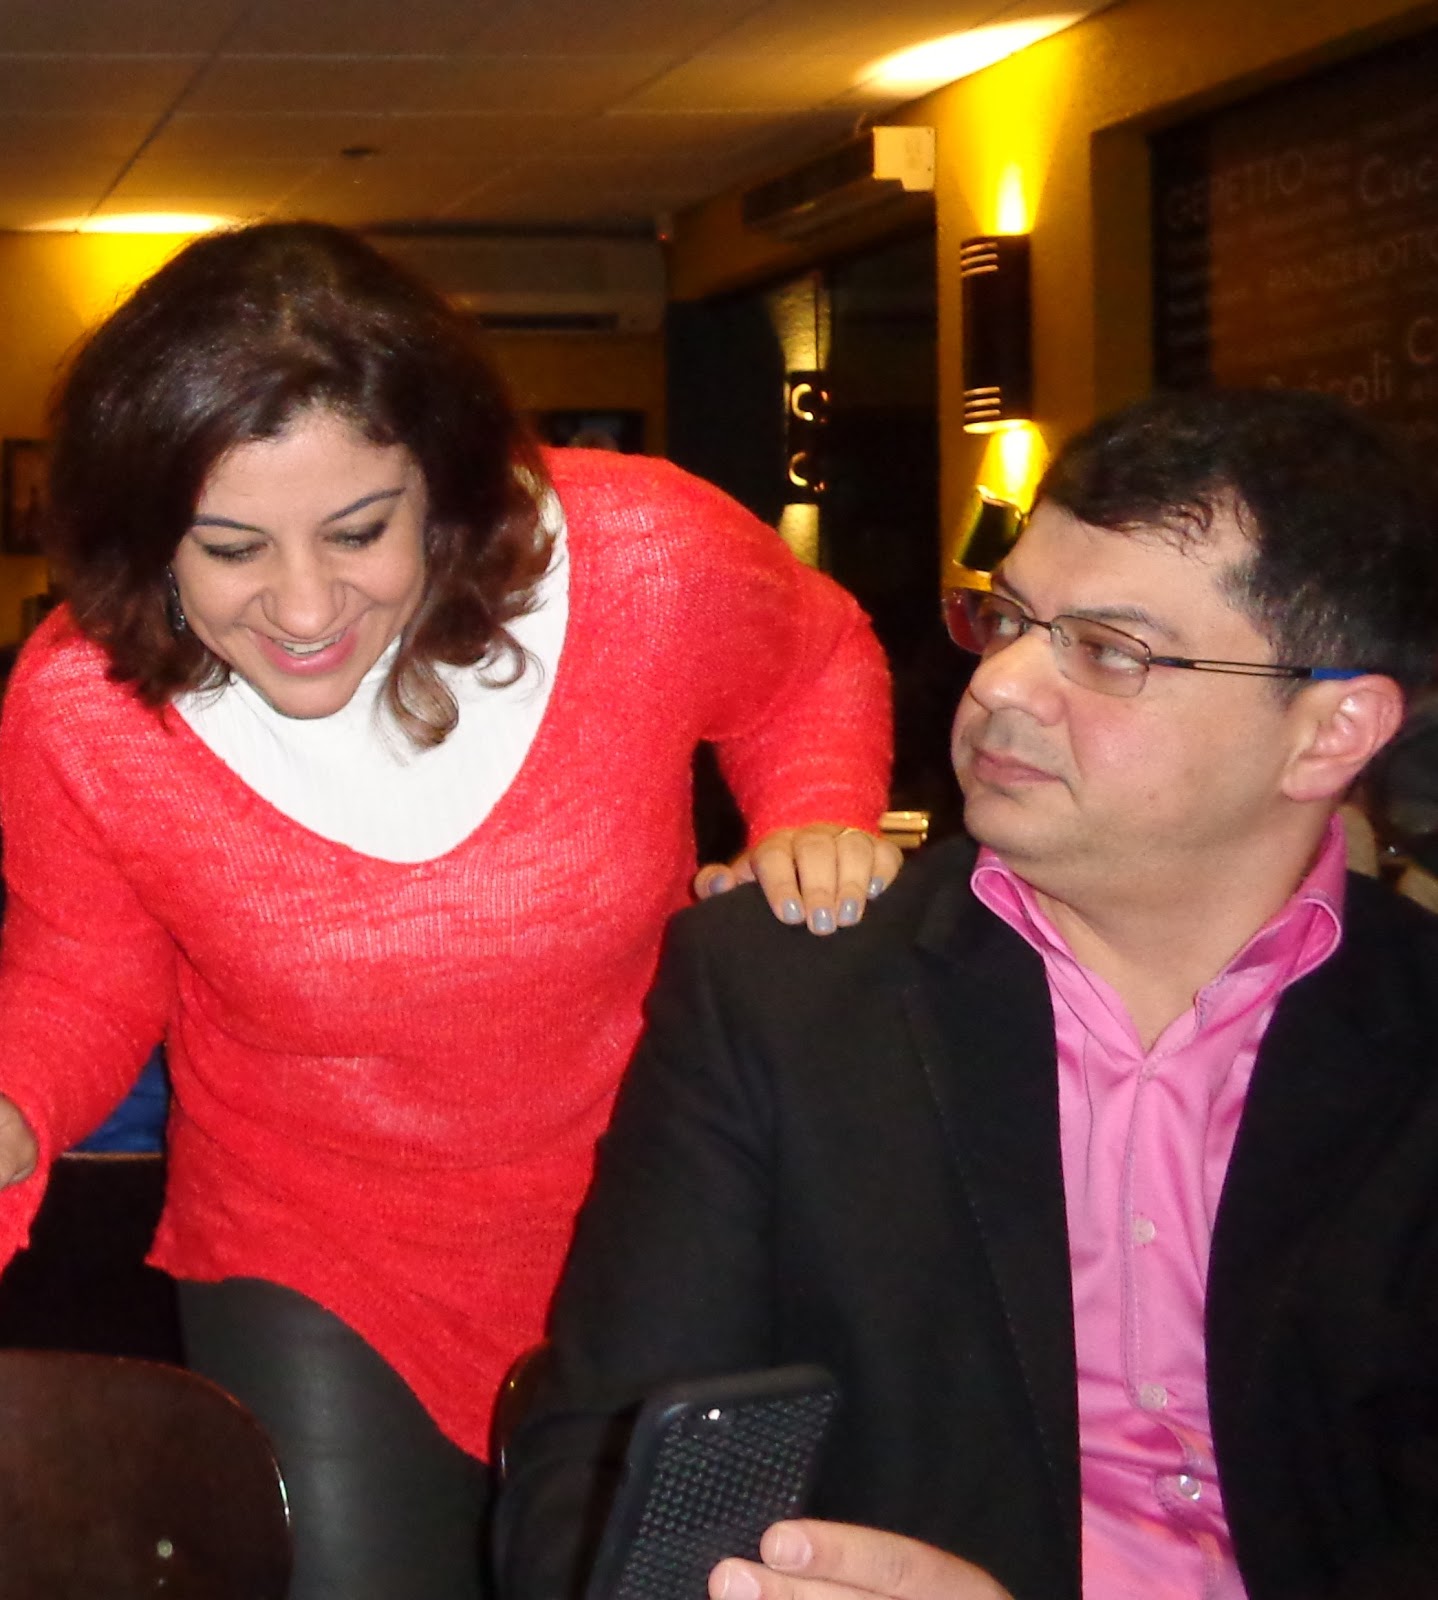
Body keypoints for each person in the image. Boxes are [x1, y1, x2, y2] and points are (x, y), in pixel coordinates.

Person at [0, 221, 899, 1600]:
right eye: (230, 548)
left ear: (445, 486)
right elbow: (85, 969)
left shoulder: (638, 554)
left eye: (361, 530)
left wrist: (813, 814)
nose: (304, 606)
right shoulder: (87, 700)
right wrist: (15, 1100)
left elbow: (811, 660)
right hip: (315, 1240)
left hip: (660, 1199)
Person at [494, 388, 1438, 1600]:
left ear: (1330, 732)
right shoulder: (786, 996)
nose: (1002, 684)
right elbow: (593, 1492)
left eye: (1107, 651)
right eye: (1008, 619)